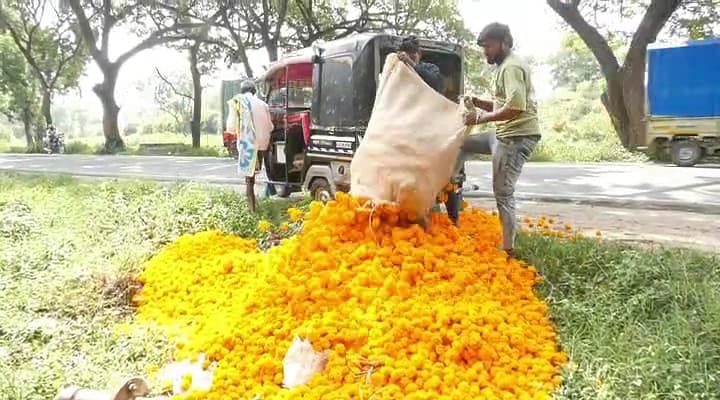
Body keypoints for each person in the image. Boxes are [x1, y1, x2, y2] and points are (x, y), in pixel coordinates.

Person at [463, 22, 540, 258]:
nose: (485, 51)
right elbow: (502, 104)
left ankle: (508, 249)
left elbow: (515, 107)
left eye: (489, 46)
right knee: (460, 144)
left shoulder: (511, 67)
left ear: (505, 43)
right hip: (501, 134)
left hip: (516, 138)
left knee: (503, 193)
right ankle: (450, 190)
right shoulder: (504, 67)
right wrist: (477, 101)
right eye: (483, 47)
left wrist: (480, 118)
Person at [397, 36, 463, 225]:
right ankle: (420, 215)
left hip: (432, 130)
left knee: (446, 175)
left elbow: (436, 83)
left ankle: (453, 218)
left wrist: (411, 64)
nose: (410, 57)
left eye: (413, 55)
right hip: (411, 131)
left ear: (418, 54)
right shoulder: (399, 72)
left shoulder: (428, 69)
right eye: (407, 55)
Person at [228, 80, 274, 213]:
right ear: (254, 91)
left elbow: (231, 127)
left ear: (241, 91)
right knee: (255, 174)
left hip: (249, 144)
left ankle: (251, 209)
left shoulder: (237, 102)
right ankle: (255, 202)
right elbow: (270, 126)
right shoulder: (263, 104)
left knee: (249, 179)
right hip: (263, 144)